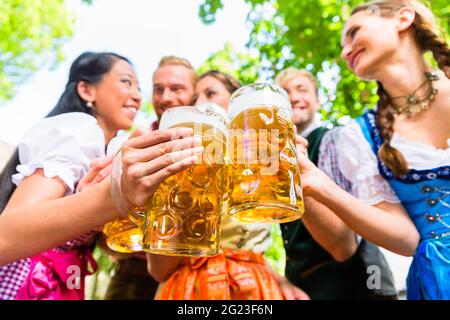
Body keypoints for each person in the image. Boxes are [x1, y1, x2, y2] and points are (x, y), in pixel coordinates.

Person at [0, 52, 202, 299]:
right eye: (126, 82)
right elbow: (4, 237)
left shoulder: (106, 148)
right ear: (86, 90)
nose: (139, 96)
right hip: (27, 284)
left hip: (61, 284)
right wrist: (112, 196)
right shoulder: (80, 130)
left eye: (139, 87)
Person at [297, 0, 449, 300]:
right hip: (438, 281)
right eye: (342, 44)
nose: (345, 51)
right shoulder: (361, 136)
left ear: (403, 18)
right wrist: (319, 185)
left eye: (354, 32)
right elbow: (406, 240)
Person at [146, 70, 310, 300]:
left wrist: (279, 279)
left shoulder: (261, 164)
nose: (201, 103)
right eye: (194, 99)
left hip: (254, 289)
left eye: (210, 93)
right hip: (189, 290)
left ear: (237, 104)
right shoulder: (181, 168)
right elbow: (158, 270)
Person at [275, 68, 397, 299]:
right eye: (285, 93)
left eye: (302, 89)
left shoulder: (336, 138)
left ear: (318, 100)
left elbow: (348, 241)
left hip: (362, 280)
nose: (293, 97)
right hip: (309, 285)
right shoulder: (272, 158)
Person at [103, 55, 198, 300]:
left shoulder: (211, 139)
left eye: (177, 88)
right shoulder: (134, 143)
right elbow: (103, 238)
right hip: (134, 273)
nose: (166, 97)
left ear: (195, 94)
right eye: (159, 89)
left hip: (194, 269)